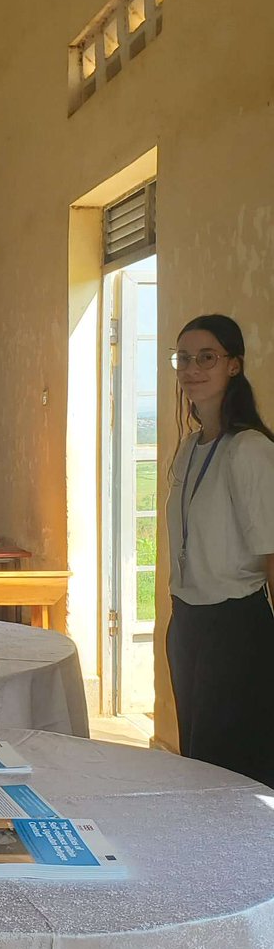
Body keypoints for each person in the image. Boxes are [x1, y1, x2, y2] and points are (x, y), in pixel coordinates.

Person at [165, 313, 274, 788]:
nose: (192, 369)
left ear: (234, 365)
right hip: (187, 622)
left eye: (206, 357)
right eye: (183, 358)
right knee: (198, 761)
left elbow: (271, 552)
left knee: (235, 773)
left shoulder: (249, 449)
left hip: (235, 628)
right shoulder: (191, 446)